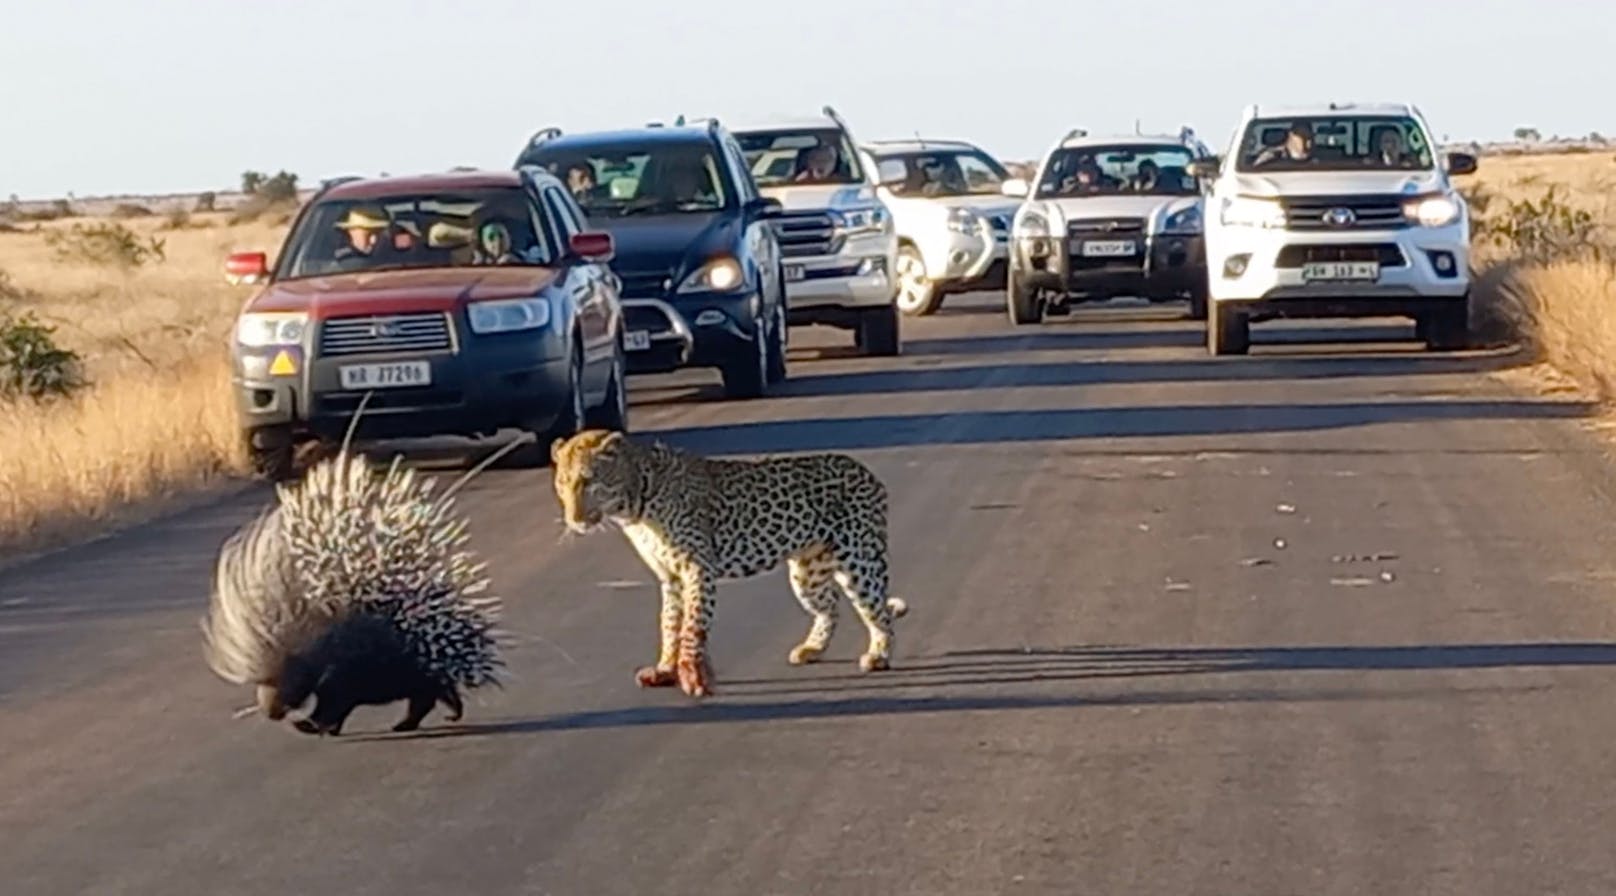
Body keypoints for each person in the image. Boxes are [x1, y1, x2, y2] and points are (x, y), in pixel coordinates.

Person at [330, 206, 391, 270]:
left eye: (380, 234)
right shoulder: (341, 262)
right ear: (350, 232)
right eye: (368, 234)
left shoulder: (398, 259)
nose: (373, 240)